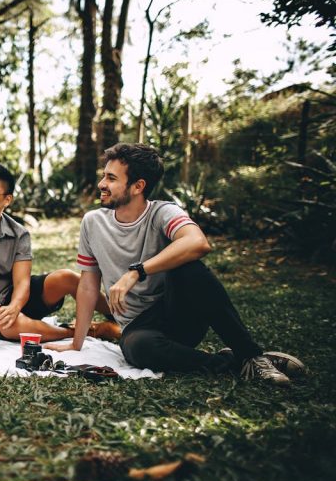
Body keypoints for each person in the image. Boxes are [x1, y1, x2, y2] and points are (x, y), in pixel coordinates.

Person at [46, 143, 304, 386]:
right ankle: (236, 362)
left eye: (111, 178)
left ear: (138, 186)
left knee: (190, 267)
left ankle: (252, 355)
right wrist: (76, 343)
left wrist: (137, 271)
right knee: (138, 348)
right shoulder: (93, 222)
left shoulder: (163, 212)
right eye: (104, 176)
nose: (102, 184)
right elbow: (89, 286)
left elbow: (198, 242)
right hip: (139, 329)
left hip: (179, 314)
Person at [0, 162, 109, 342]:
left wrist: (14, 307)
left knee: (67, 277)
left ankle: (120, 317)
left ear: (7, 200)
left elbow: (22, 284)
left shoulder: (19, 234)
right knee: (8, 325)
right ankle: (83, 332)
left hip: (17, 298)